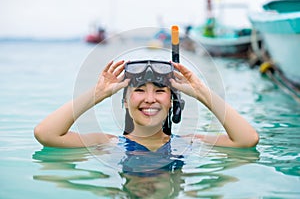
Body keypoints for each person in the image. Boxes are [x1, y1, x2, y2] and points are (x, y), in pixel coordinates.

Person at [34, 60, 259, 149]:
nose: (149, 99)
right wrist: (96, 94)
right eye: (139, 91)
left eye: (160, 91)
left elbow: (247, 140)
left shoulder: (189, 143)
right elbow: (46, 133)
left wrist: (203, 93)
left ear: (172, 102)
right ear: (124, 102)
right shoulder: (108, 144)